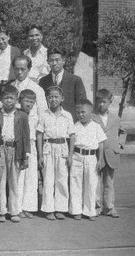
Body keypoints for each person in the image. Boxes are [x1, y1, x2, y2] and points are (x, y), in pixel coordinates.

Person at [36, 86, 76, 221]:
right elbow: (40, 135)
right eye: (50, 97)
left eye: (56, 97)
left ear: (62, 99)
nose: (53, 99)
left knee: (62, 180)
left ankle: (60, 208)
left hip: (63, 149)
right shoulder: (43, 115)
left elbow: (72, 136)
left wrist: (70, 155)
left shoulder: (67, 115)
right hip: (48, 148)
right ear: (47, 99)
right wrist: (40, 155)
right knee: (48, 180)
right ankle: (48, 209)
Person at [0, 85, 30, 223]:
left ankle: (14, 211)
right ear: (1, 99)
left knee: (14, 182)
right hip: (1, 149)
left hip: (16, 150)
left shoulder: (22, 116)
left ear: (16, 100)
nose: (9, 101)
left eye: (12, 98)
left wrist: (26, 156)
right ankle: (1, 210)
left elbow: (26, 137)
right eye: (6, 98)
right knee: (0, 181)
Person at [69, 99, 106, 221]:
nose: (80, 115)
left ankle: (90, 210)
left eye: (83, 112)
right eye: (78, 112)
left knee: (91, 183)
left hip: (91, 157)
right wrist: (70, 156)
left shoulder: (96, 126)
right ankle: (76, 210)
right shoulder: (75, 126)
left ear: (91, 112)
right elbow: (72, 143)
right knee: (76, 182)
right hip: (77, 157)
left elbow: (101, 144)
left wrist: (100, 159)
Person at [93, 89, 127, 218]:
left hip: (111, 154)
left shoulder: (115, 118)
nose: (101, 105)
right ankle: (96, 207)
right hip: (97, 154)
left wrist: (119, 144)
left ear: (109, 102)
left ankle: (109, 207)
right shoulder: (92, 117)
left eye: (104, 102)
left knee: (109, 182)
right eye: (99, 102)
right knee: (95, 182)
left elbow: (123, 132)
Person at [39, 47, 87, 121]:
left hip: (70, 123)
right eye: (51, 60)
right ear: (47, 62)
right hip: (50, 123)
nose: (54, 63)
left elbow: (82, 105)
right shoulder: (43, 81)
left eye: (57, 60)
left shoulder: (75, 80)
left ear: (63, 61)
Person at [16, 89, 39, 219]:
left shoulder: (35, 117)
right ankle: (18, 207)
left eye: (31, 102)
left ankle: (28, 207)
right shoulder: (17, 114)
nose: (28, 104)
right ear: (20, 101)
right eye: (26, 101)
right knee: (19, 179)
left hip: (32, 147)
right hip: (20, 146)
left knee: (31, 179)